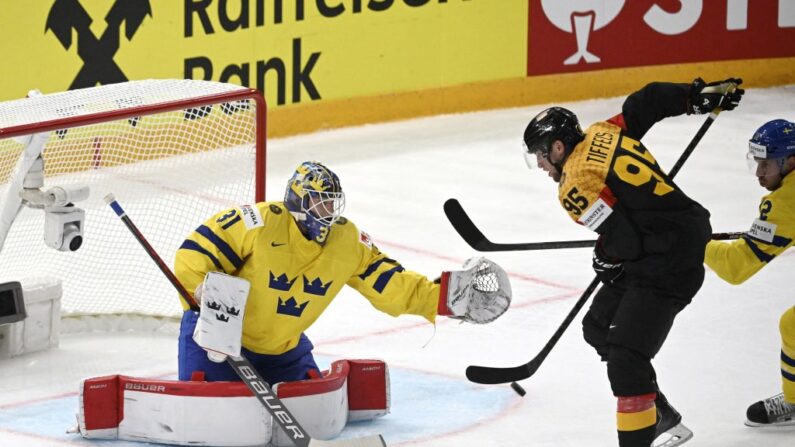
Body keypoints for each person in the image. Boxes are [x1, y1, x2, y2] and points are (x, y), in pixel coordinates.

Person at [521, 78, 743, 447]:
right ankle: (657, 413)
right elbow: (648, 101)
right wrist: (693, 97)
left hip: (669, 259)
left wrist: (604, 257)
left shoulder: (576, 185)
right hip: (667, 238)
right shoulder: (602, 132)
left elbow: (624, 241)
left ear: (558, 147)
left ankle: (643, 428)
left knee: (626, 355)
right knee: (597, 327)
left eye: (541, 155)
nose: (542, 165)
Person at [173, 160, 512, 385]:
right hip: (215, 343)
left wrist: (444, 299)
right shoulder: (259, 222)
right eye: (322, 202)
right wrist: (200, 290)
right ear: (299, 201)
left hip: (283, 351)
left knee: (314, 412)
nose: (330, 212)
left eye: (333, 203)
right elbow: (194, 253)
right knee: (212, 418)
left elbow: (391, 284)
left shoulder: (347, 241)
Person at [704, 119, 795, 427]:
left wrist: (694, 243)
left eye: (766, 164)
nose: (758, 173)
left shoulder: (786, 202)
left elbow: (736, 266)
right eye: (756, 163)